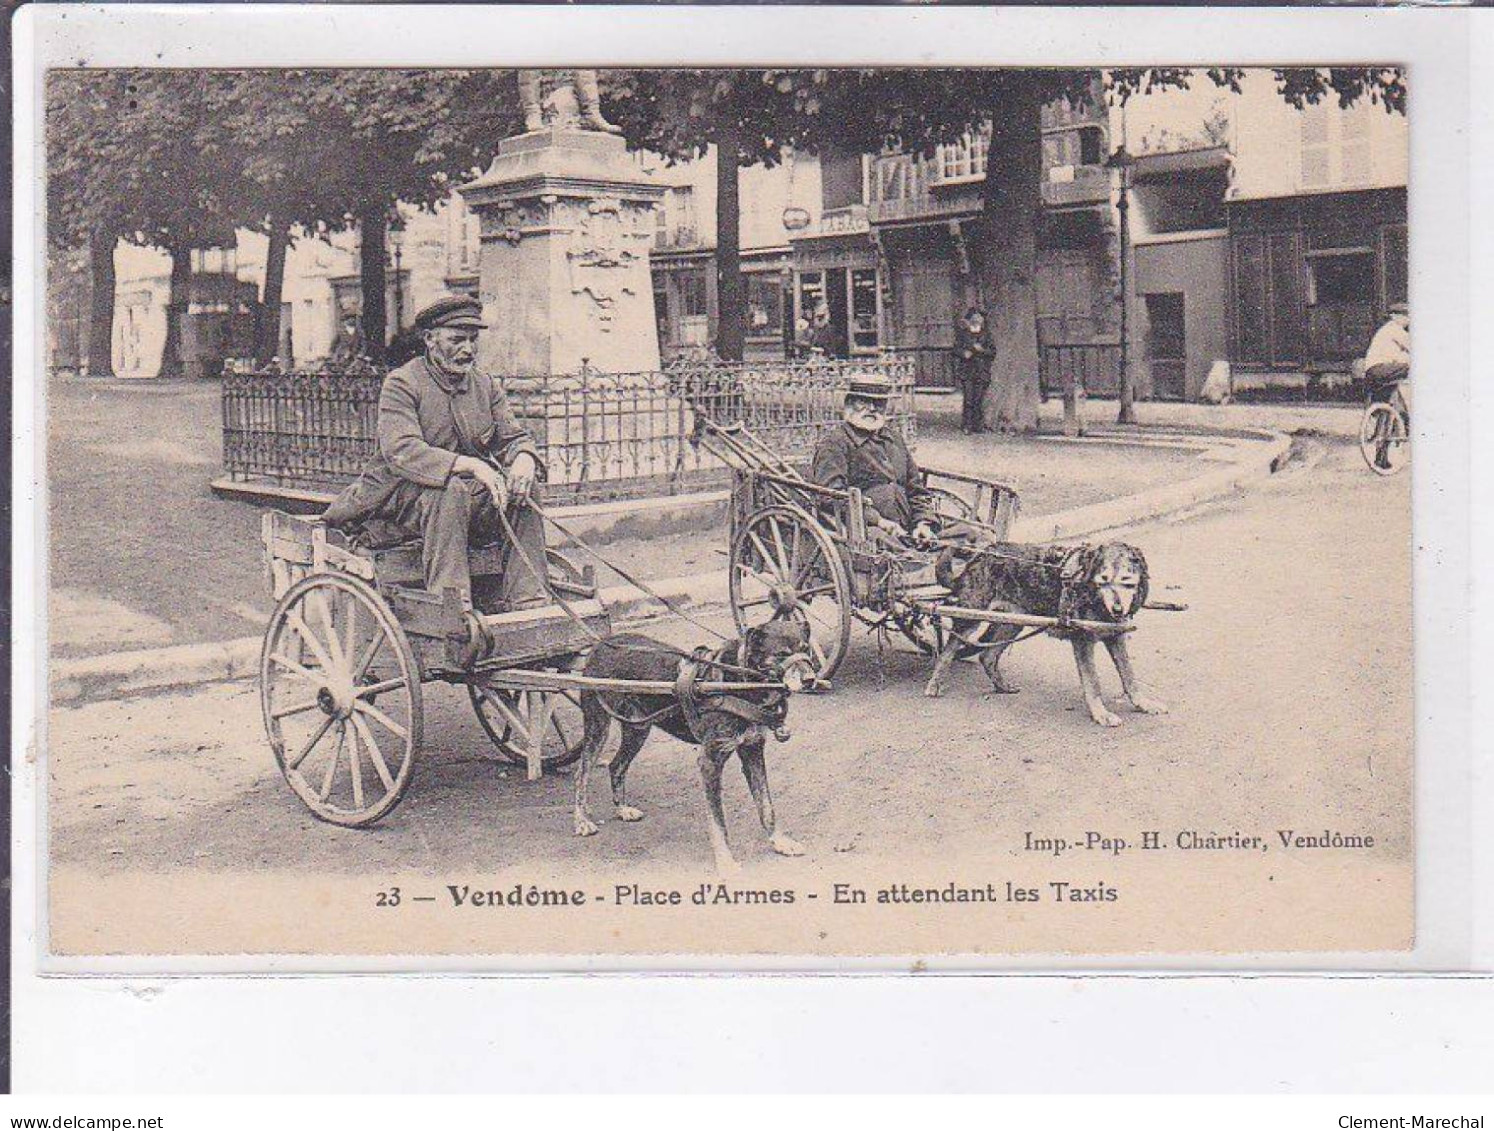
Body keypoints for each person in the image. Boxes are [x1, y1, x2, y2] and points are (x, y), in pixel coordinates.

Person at [322, 295, 550, 663]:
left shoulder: (484, 386)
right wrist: (470, 464)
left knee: (524, 490)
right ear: (430, 339)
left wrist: (523, 458)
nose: (467, 349)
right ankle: (453, 613)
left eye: (472, 340)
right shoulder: (402, 384)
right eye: (456, 339)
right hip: (397, 501)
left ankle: (530, 605)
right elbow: (402, 450)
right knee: (452, 490)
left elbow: (512, 437)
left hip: (454, 501)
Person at [810, 375, 938, 548]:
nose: (871, 409)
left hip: (908, 526)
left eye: (878, 403)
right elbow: (829, 497)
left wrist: (923, 523)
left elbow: (916, 490)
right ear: (849, 403)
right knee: (903, 557)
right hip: (863, 529)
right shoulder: (835, 443)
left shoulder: (894, 438)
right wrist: (878, 521)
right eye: (863, 402)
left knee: (970, 536)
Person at [1362, 303, 1411, 471]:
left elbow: (1398, 355)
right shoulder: (1394, 329)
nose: (1407, 319)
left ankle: (1381, 458)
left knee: (1395, 411)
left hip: (1377, 374)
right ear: (1394, 316)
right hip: (1381, 371)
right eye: (1405, 316)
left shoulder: (1386, 333)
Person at [953, 306, 994, 433]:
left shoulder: (986, 335)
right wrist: (964, 353)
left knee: (979, 399)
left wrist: (982, 350)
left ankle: (978, 425)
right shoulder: (963, 334)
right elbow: (955, 349)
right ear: (970, 319)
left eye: (979, 317)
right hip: (967, 370)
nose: (977, 320)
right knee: (968, 399)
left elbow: (993, 351)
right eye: (975, 317)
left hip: (981, 371)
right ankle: (967, 425)